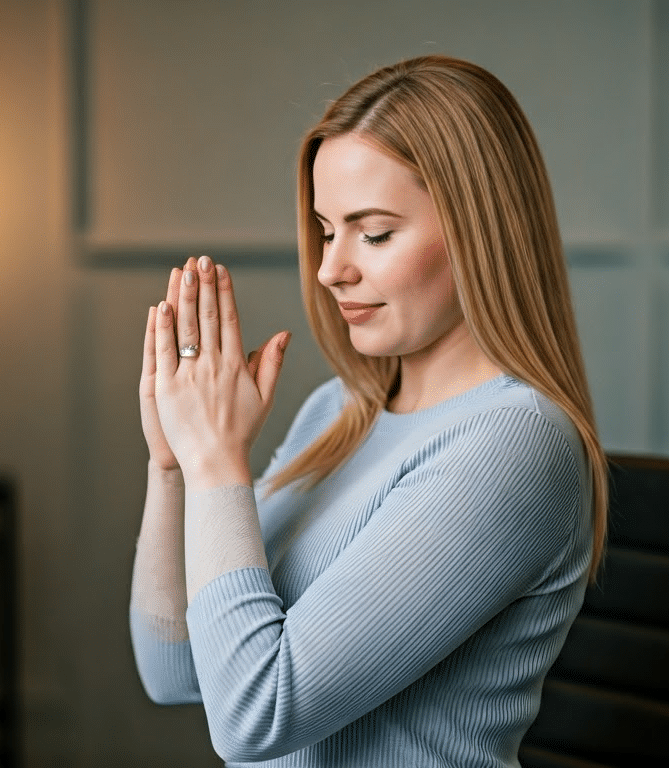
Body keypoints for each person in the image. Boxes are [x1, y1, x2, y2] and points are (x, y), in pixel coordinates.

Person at [130, 54, 608, 767]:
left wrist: (216, 463)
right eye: (327, 230)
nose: (331, 269)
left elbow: (257, 716)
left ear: (481, 234)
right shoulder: (340, 411)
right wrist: (172, 464)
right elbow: (175, 673)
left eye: (374, 233)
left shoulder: (514, 446)